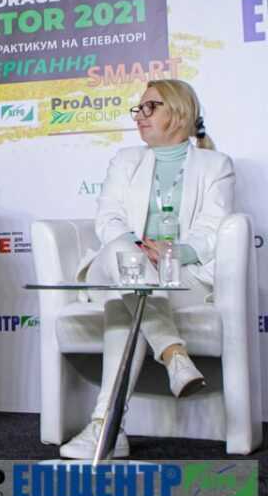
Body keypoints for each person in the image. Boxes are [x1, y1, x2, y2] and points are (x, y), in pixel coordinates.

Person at [59, 79, 230, 459]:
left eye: (150, 106)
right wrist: (139, 249)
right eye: (138, 108)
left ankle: (106, 427)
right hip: (114, 266)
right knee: (126, 258)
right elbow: (109, 218)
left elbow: (214, 229)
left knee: (128, 300)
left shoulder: (215, 165)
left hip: (178, 275)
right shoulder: (125, 160)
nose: (140, 115)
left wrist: (174, 252)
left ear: (180, 111)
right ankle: (173, 353)